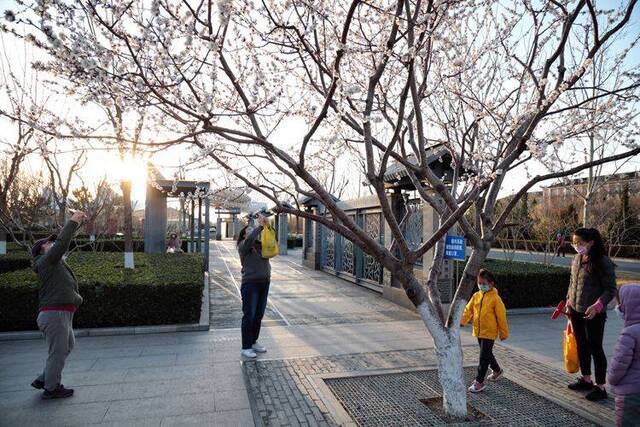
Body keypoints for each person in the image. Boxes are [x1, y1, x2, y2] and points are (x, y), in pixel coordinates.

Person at [30, 210, 87, 399]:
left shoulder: (54, 263)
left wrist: (74, 227)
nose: (52, 243)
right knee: (58, 351)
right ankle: (52, 387)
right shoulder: (47, 261)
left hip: (60, 313)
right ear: (41, 250)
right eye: (48, 243)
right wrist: (73, 221)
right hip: (54, 314)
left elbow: (63, 244)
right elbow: (62, 244)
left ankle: (45, 378)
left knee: (67, 346)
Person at [565, 227, 617, 401]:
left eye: (580, 242)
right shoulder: (577, 259)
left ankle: (600, 387)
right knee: (581, 346)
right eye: (574, 242)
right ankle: (586, 379)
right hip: (575, 310)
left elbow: (610, 289)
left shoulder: (603, 262)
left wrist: (598, 305)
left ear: (591, 243)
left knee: (596, 348)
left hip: (594, 313)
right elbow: (572, 283)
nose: (576, 246)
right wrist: (568, 301)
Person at [461, 269, 509, 393]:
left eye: (484, 283)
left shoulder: (495, 299)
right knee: (487, 354)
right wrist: (462, 321)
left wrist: (503, 333)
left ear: (491, 284)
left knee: (483, 357)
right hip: (478, 331)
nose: (481, 285)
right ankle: (497, 370)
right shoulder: (476, 296)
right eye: (479, 283)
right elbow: (468, 310)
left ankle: (479, 381)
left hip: (489, 332)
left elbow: (501, 317)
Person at [237, 214, 271, 359]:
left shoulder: (261, 245)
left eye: (253, 229)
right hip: (250, 284)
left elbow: (272, 242)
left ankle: (253, 341)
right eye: (248, 230)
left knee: (258, 315)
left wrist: (268, 227)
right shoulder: (243, 246)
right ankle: (246, 347)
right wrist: (260, 226)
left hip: (264, 282)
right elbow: (251, 239)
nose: (252, 232)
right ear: (244, 235)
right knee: (249, 315)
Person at [608, 284, 640, 426]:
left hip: (630, 394)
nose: (618, 308)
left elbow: (618, 364)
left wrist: (612, 380)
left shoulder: (629, 333)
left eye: (620, 304)